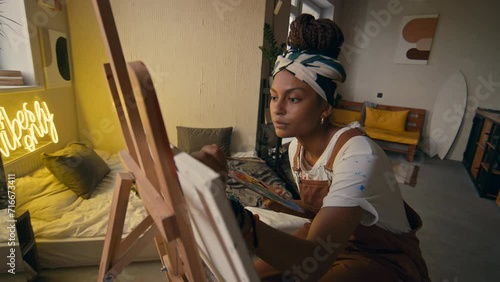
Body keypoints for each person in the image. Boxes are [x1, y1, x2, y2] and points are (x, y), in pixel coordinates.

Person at [195, 14, 430, 282]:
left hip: (380, 256)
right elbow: (321, 211)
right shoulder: (296, 149)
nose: (277, 109)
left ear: (325, 107)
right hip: (329, 238)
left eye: (293, 98)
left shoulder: (358, 156)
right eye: (274, 97)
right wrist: (287, 206)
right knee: (249, 277)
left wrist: (234, 215)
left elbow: (314, 261)